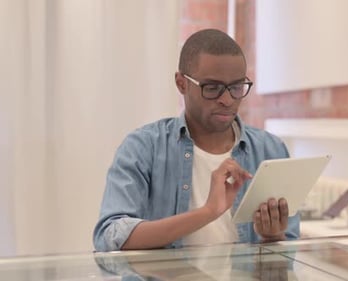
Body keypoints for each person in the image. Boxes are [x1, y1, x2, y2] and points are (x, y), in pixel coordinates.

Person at [93, 29, 299, 251]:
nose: (227, 99)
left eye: (237, 87)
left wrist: (272, 236)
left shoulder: (271, 150)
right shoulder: (143, 148)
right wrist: (208, 212)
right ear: (181, 83)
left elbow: (291, 246)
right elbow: (110, 235)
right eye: (212, 88)